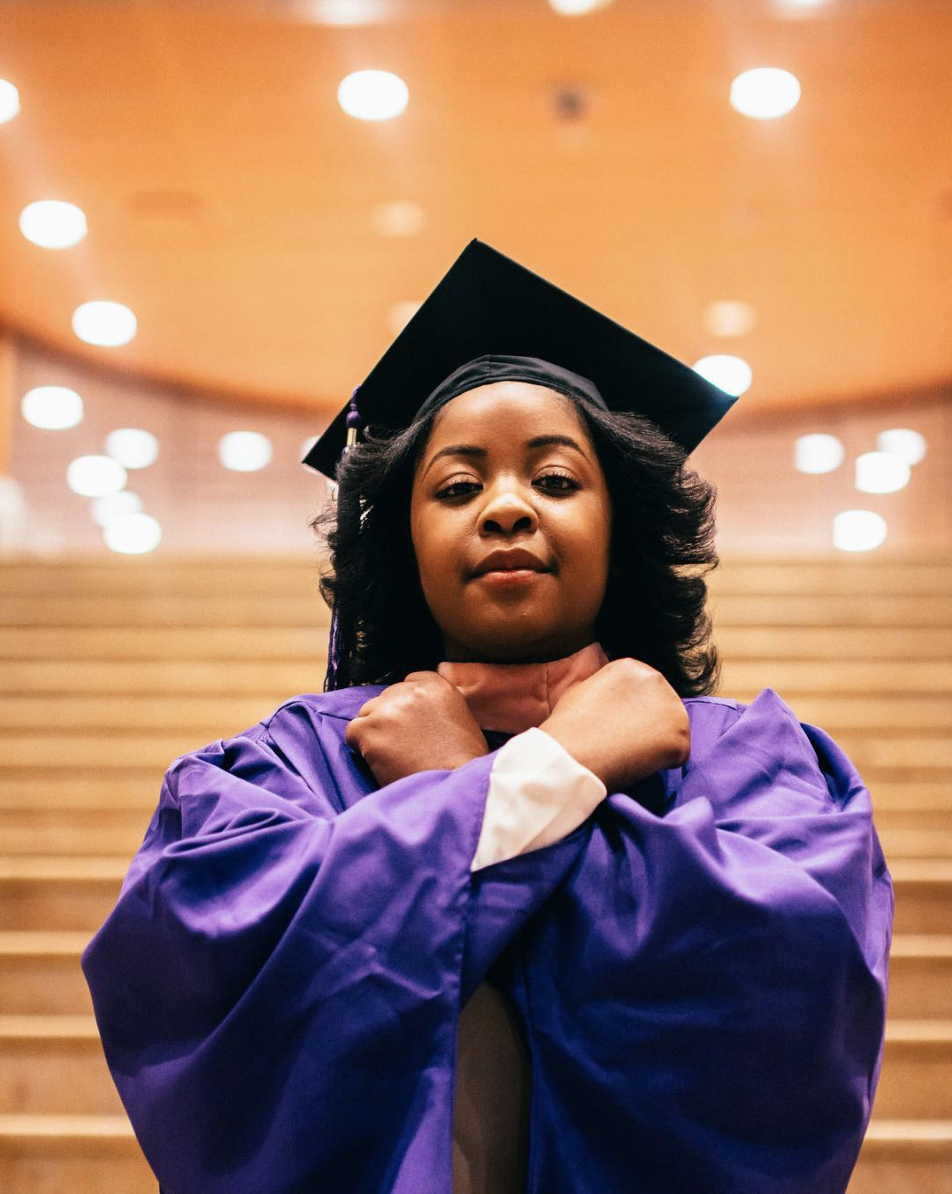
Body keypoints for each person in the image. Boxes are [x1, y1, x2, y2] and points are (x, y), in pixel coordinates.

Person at [83, 241, 892, 1194]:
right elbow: (211, 972)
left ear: (621, 532)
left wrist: (443, 806)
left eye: (554, 480)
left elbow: (786, 984)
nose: (507, 508)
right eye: (459, 487)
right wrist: (556, 767)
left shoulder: (750, 761)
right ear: (402, 539)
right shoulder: (292, 762)